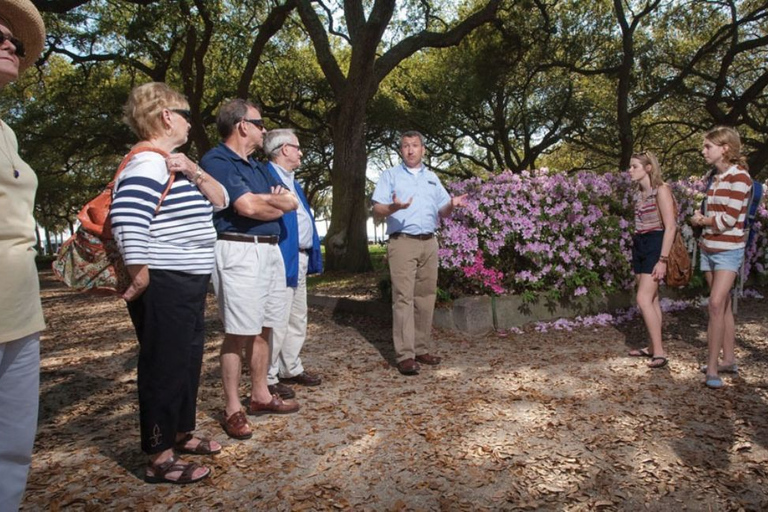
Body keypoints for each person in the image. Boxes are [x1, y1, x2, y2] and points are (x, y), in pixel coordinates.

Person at [111, 82, 229, 484]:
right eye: (185, 115)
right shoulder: (146, 163)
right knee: (164, 366)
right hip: (164, 281)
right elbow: (127, 219)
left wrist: (193, 170)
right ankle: (159, 455)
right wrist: (140, 273)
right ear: (166, 117)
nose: (190, 123)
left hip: (187, 281)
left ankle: (180, 432)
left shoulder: (175, 161)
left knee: (186, 360)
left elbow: (222, 200)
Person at [200, 100, 300, 440]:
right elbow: (244, 205)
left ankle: (260, 395)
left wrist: (269, 204)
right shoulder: (216, 160)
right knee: (238, 331)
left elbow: (290, 202)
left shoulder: (258, 167)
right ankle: (232, 408)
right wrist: (269, 203)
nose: (264, 130)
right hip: (238, 250)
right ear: (242, 125)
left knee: (265, 328)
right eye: (259, 124)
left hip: (270, 250)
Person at [371, 131, 467, 376]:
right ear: (400, 151)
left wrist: (452, 205)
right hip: (403, 242)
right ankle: (405, 355)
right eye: (405, 146)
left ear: (423, 149)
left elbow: (443, 211)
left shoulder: (433, 178)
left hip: (429, 243)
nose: (410, 150)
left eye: (415, 145)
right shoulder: (389, 176)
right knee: (403, 298)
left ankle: (421, 348)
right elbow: (377, 208)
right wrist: (394, 206)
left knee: (426, 296)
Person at [0, 1, 45, 508]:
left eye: (13, 38)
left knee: (13, 448)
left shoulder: (8, 131)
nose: (11, 44)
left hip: (20, 309)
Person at [690, 126, 753, 389]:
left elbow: (728, 219)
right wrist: (701, 217)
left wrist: (701, 220)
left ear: (724, 148)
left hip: (728, 250)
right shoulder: (714, 178)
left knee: (714, 305)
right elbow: (716, 213)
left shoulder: (740, 178)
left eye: (708, 146)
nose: (703, 151)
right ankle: (729, 359)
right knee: (723, 305)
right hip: (708, 247)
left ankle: (713, 369)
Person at [263, 129, 323, 399]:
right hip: (281, 255)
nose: (300, 152)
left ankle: (291, 366)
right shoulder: (266, 176)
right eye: (297, 147)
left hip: (299, 256)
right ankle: (268, 375)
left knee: (297, 315)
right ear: (284, 149)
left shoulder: (292, 180)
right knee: (276, 317)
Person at [626, 152, 676, 369]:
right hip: (640, 243)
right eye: (630, 166)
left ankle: (661, 352)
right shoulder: (638, 193)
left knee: (643, 299)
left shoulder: (661, 190)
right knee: (652, 299)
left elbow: (671, 226)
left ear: (648, 168)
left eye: (634, 166)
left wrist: (663, 259)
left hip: (656, 243)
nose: (630, 170)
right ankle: (653, 347)